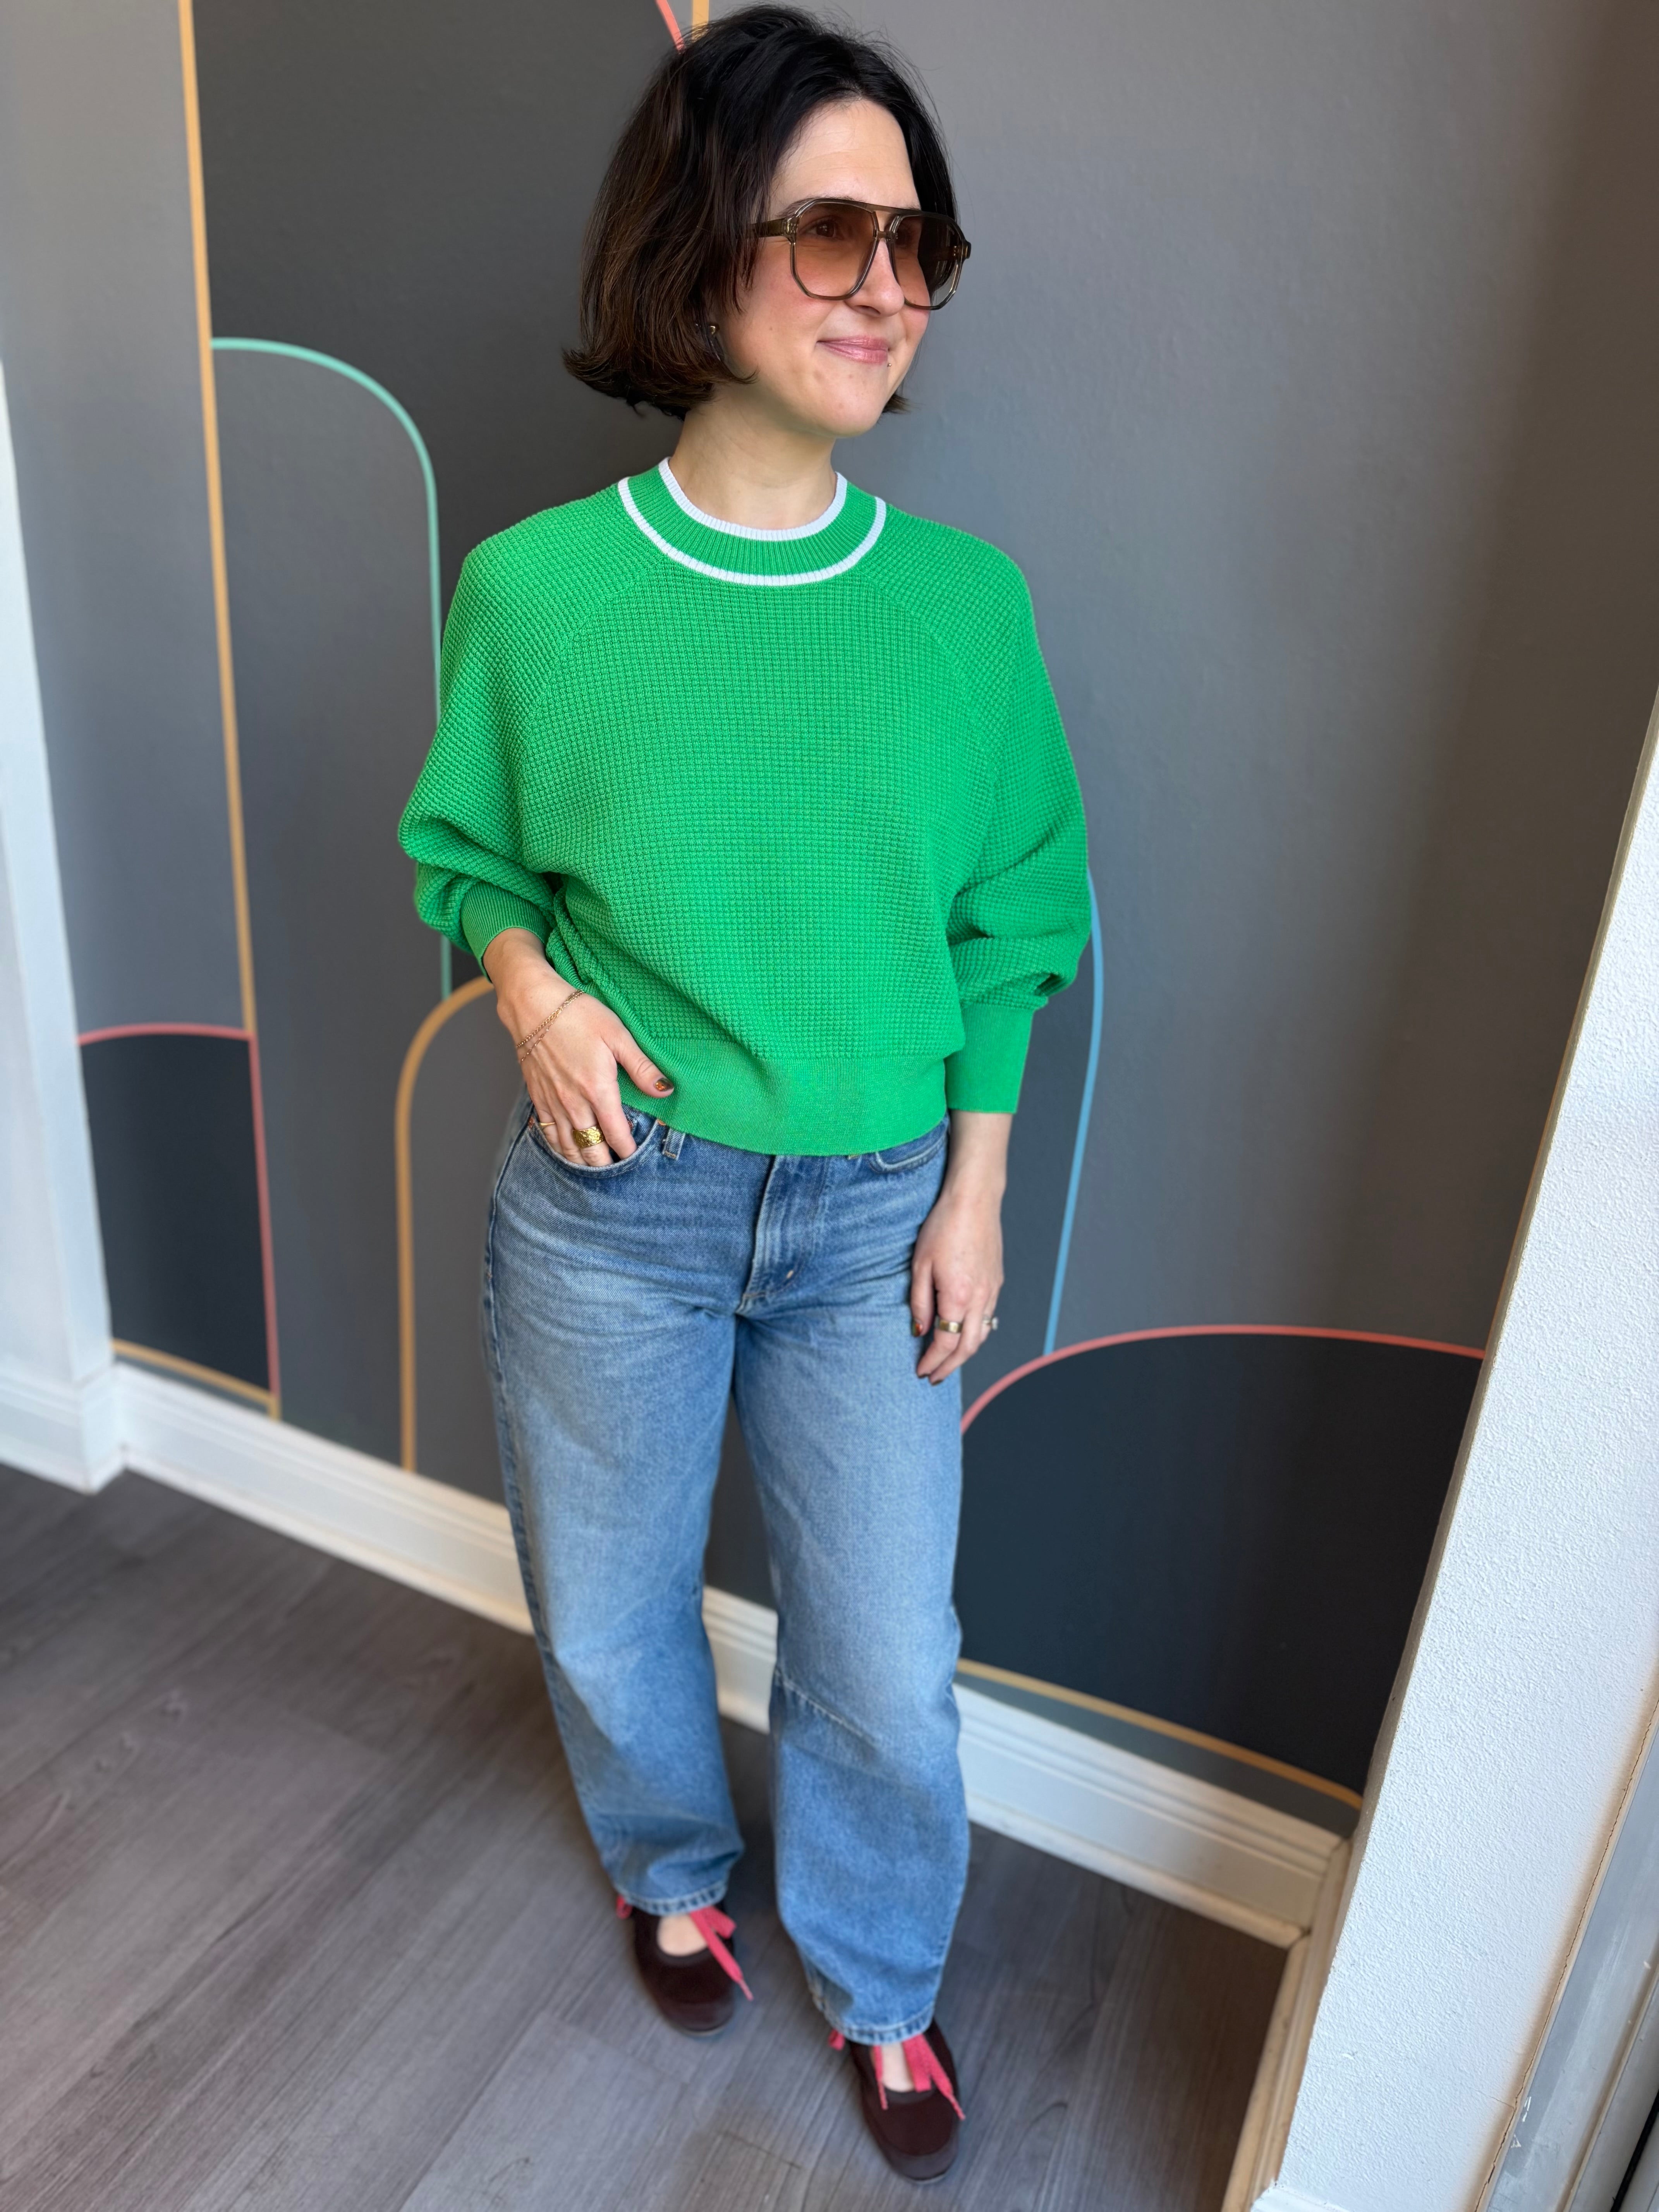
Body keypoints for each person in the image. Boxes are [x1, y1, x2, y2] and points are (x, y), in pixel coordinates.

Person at [397, 5, 1090, 2182]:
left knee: (881, 1660)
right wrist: (527, 994)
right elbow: (467, 857)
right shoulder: (537, 594)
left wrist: (975, 1189)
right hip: (615, 1200)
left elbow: (1012, 921)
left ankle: (880, 1982)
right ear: (701, 249)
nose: (890, 285)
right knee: (610, 1609)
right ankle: (667, 1870)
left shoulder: (966, 615)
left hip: (877, 1211)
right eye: (833, 232)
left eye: (918, 241)